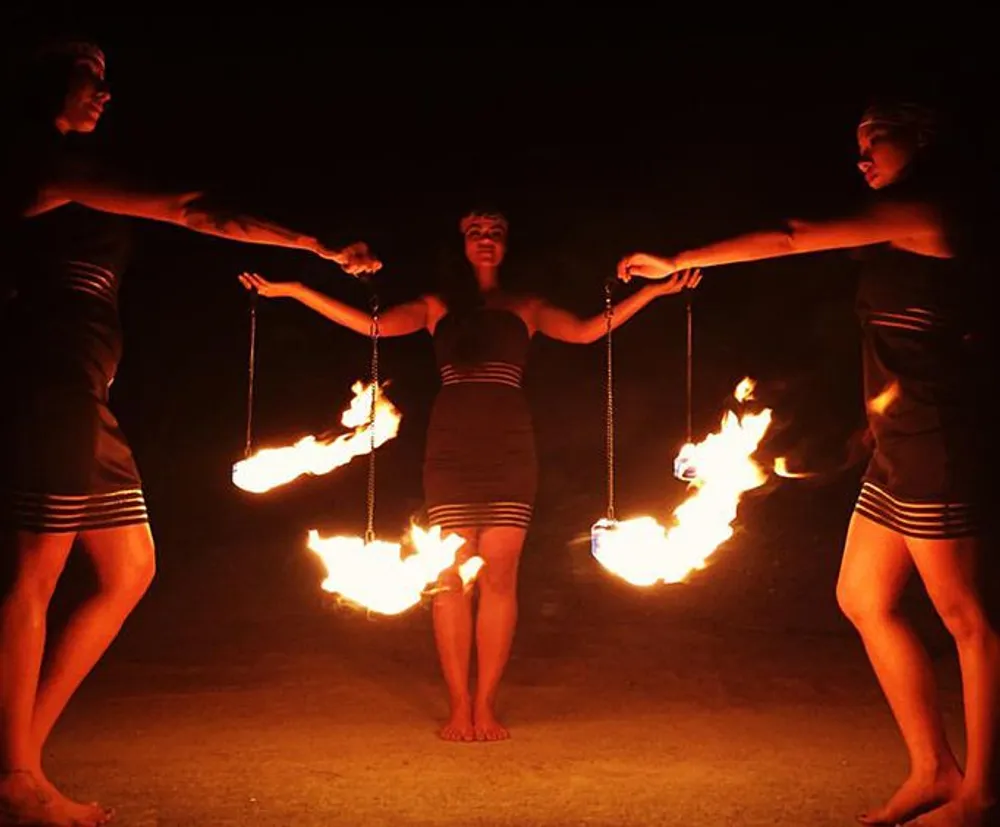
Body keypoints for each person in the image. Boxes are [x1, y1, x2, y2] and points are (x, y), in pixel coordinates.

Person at [0, 38, 380, 827]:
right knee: (36, 572)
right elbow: (191, 208)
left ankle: (18, 755)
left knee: (129, 565)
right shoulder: (37, 164)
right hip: (48, 381)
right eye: (88, 78)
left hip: (84, 390)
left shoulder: (81, 175)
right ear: (47, 81)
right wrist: (310, 243)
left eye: (107, 82)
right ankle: (16, 770)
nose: (103, 94)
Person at [618, 101, 996, 827]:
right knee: (861, 595)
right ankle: (933, 768)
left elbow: (792, 238)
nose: (862, 157)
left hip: (938, 445)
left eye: (876, 140)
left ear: (923, 137)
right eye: (857, 144)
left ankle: (979, 793)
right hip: (898, 444)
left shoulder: (927, 211)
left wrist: (683, 258)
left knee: (967, 618)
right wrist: (869, 427)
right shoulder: (898, 231)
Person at [240, 208, 699, 742]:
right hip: (451, 450)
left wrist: (653, 294)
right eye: (477, 232)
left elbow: (587, 331)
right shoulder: (438, 306)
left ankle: (486, 705)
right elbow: (372, 326)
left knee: (500, 578)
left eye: (497, 233)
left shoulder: (525, 306)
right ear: (462, 242)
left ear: (507, 245)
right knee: (451, 579)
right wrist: (296, 289)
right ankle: (458, 705)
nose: (487, 240)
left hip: (509, 449)